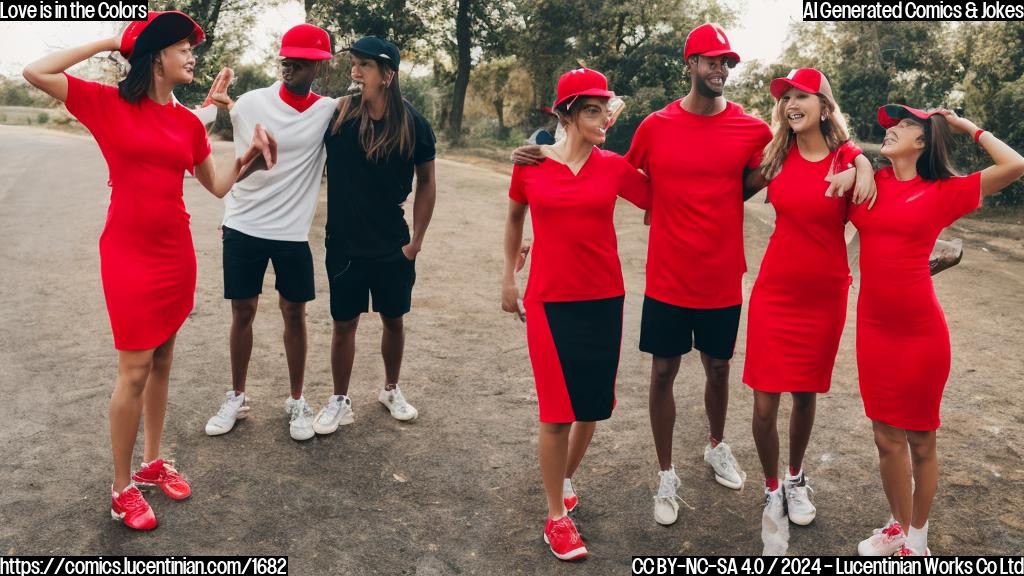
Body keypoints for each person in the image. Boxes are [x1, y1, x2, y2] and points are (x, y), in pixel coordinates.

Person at [22, 10, 275, 530]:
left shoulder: (186, 120)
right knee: (133, 370)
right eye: (182, 47)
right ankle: (120, 490)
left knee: (162, 359)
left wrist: (248, 155)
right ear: (155, 57)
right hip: (128, 254)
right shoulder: (109, 104)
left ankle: (152, 462)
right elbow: (36, 71)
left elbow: (218, 185)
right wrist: (114, 39)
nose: (192, 56)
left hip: (174, 253)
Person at [514, 24, 772, 525]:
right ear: (690, 64)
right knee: (662, 373)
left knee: (718, 369)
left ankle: (717, 445)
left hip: (722, 273)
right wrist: (540, 163)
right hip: (667, 275)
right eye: (711, 60)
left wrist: (858, 162)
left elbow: (795, 148)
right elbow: (602, 174)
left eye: (726, 62)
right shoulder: (655, 126)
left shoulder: (752, 128)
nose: (720, 69)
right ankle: (665, 474)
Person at [851, 104, 1024, 556]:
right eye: (890, 125)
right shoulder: (872, 181)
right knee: (884, 436)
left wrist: (966, 126)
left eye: (904, 125)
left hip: (920, 334)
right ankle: (898, 525)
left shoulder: (945, 190)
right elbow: (827, 148)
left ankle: (918, 541)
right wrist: (861, 161)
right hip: (872, 328)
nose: (890, 130)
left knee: (921, 438)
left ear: (924, 140)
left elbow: (1015, 165)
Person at [503, 68, 650, 561]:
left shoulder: (613, 166)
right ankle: (556, 518)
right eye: (591, 110)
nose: (603, 117)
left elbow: (665, 195)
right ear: (565, 114)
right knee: (556, 413)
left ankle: (565, 478)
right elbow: (514, 215)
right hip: (549, 300)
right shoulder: (531, 163)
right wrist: (509, 275)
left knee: (591, 408)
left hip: (604, 299)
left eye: (606, 109)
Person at [740, 68, 875, 555]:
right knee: (762, 403)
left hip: (824, 297)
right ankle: (772, 486)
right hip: (775, 292)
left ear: (823, 103)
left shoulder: (846, 156)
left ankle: (796, 478)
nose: (791, 104)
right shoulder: (775, 156)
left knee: (804, 393)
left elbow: (872, 212)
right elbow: (723, 191)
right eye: (785, 98)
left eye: (801, 96)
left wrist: (861, 164)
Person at [201, 24, 338, 442]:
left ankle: (297, 399)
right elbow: (203, 124)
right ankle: (237, 396)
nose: (289, 65)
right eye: (285, 58)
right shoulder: (250, 103)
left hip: (292, 233)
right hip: (244, 223)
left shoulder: (330, 110)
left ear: (318, 65)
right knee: (242, 312)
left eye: (299, 60)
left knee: (294, 313)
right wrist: (216, 103)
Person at [313, 37, 436, 431]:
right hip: (344, 243)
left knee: (393, 320)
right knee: (343, 324)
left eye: (364, 65)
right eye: (354, 63)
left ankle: (391, 388)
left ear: (387, 75)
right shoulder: (339, 114)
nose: (355, 71)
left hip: (392, 245)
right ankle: (339, 400)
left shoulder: (414, 123)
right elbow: (296, 134)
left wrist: (415, 242)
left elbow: (428, 181)